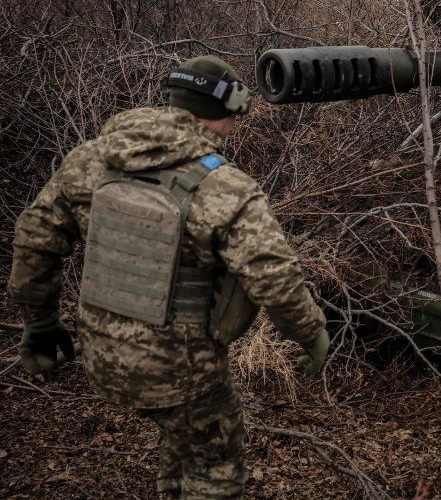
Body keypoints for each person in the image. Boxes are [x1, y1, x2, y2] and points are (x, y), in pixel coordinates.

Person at [8, 55, 330, 499]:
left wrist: (39, 321)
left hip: (102, 358)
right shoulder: (226, 187)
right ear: (228, 110)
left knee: (180, 437)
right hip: (185, 370)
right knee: (214, 468)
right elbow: (274, 277)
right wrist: (310, 334)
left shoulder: (90, 160)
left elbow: (34, 239)